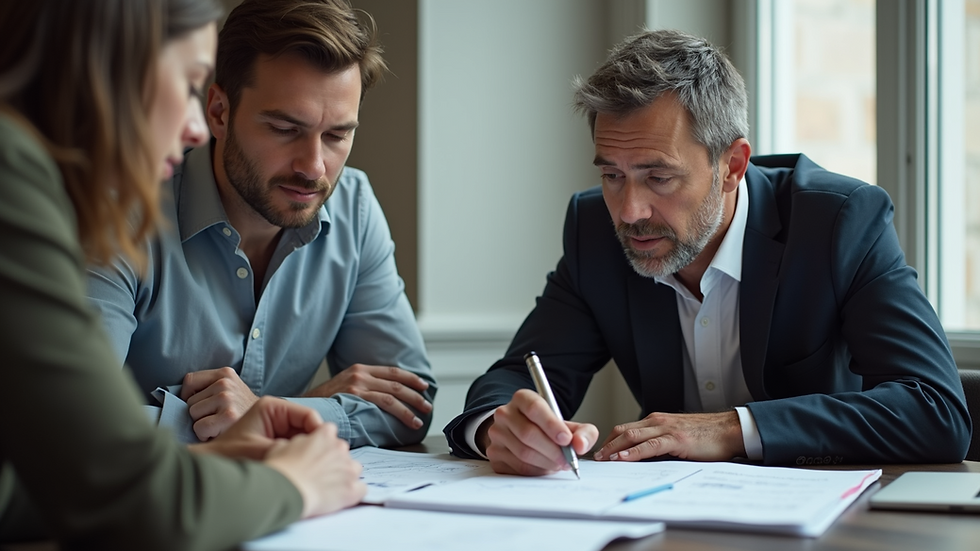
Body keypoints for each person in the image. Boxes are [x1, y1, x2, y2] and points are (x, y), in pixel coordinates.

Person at [444, 29, 972, 475]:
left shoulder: (837, 222)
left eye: (659, 177)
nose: (629, 211)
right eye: (612, 175)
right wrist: (499, 427)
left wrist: (733, 428)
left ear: (733, 166)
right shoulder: (592, 230)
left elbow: (936, 410)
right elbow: (515, 376)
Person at [0, 1, 366, 548]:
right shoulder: (14, 173)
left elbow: (34, 489)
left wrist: (207, 461)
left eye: (337, 135)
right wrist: (292, 483)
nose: (196, 127)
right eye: (190, 81)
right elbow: (120, 495)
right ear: (111, 67)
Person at [85, 0, 436, 447]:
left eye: (336, 135)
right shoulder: (119, 212)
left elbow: (409, 407)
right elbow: (69, 419)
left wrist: (274, 412)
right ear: (218, 112)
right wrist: (269, 422)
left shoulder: (354, 207)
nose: (313, 167)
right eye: (284, 129)